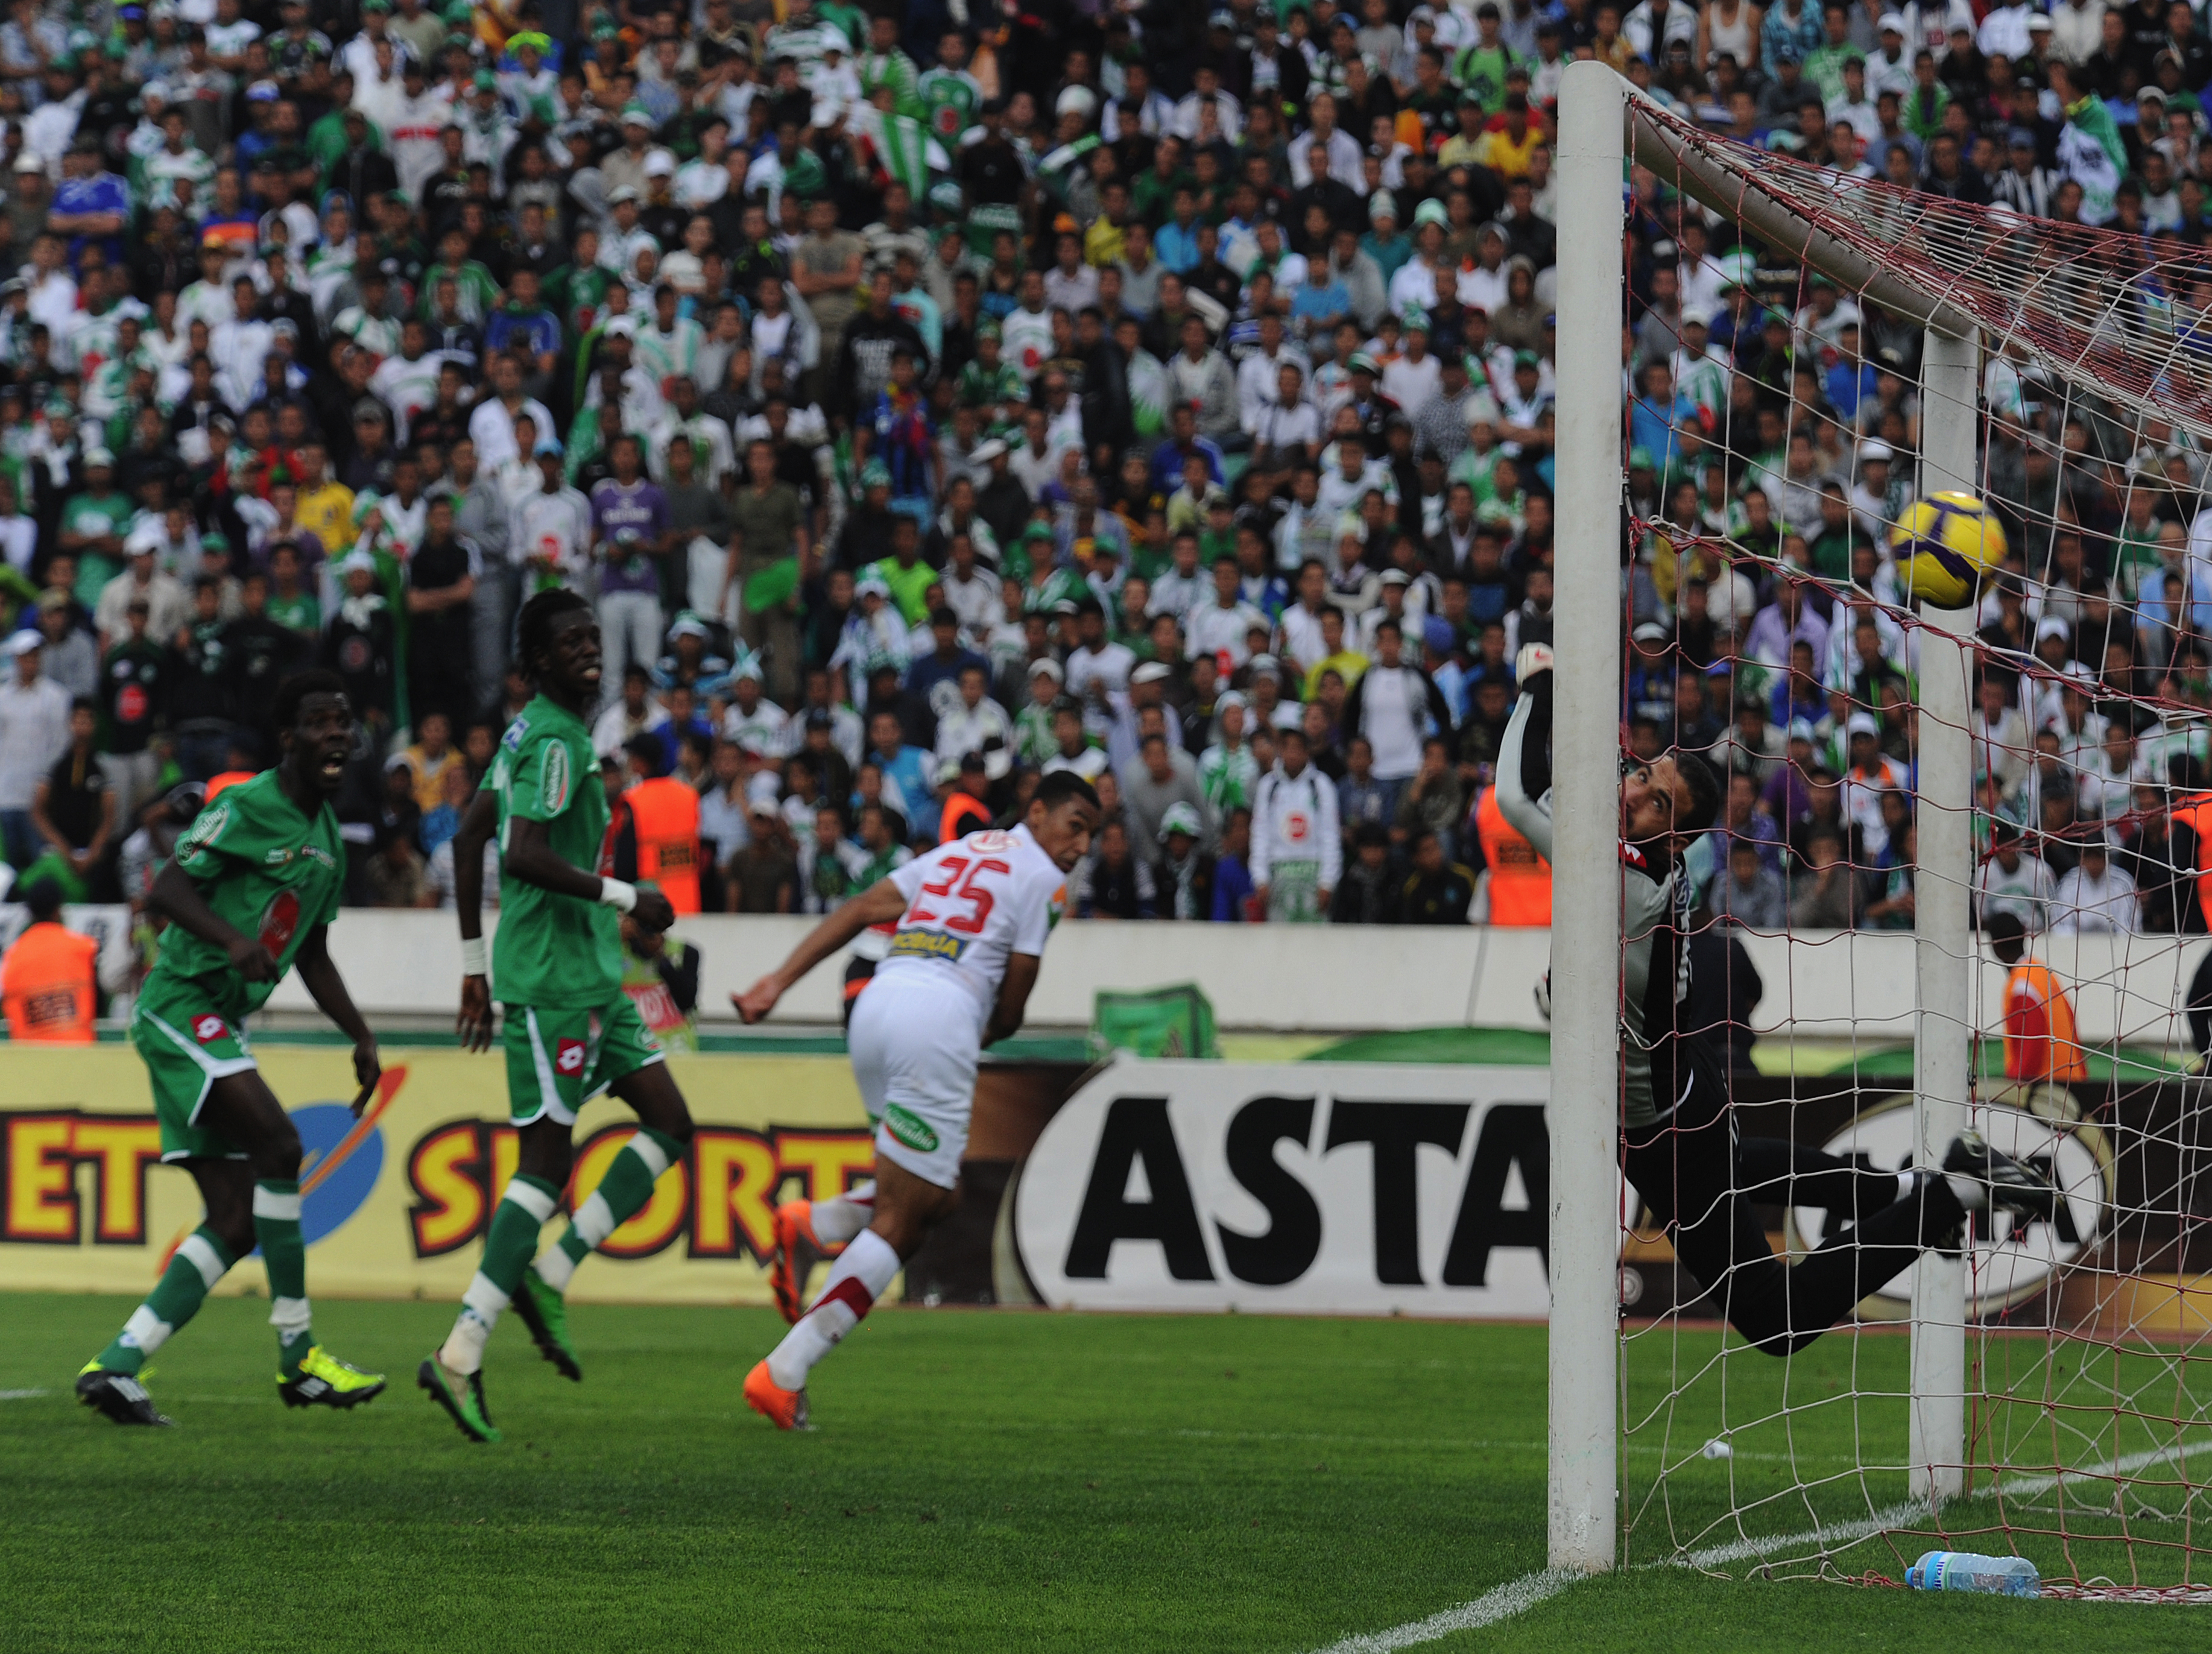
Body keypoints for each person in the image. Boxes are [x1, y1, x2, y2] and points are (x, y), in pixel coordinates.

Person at [1496, 645, 2057, 1357]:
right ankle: (1903, 1189)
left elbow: (1515, 796)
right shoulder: (1642, 860)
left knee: (1773, 1322)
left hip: (1662, 1127)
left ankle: (1952, 1195)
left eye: (1655, 799)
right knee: (1738, 1168)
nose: (1633, 792)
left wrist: (1538, 685)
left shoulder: (1624, 877)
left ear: (1677, 833)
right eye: (1641, 774)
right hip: (1683, 1085)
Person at [732, 770, 1102, 1428]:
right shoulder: (1043, 881)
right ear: (1037, 811)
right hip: (937, 1018)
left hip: (876, 1005)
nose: (1080, 846)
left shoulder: (958, 851)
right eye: (1074, 826)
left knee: (936, 1192)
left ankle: (813, 1224)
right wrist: (981, 1030)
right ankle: (785, 1370)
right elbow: (1013, 1003)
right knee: (906, 1219)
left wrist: (776, 981)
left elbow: (858, 909)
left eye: (1091, 835)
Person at [76, 671, 386, 1426]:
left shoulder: (325, 844)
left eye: (343, 721)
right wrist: (233, 939)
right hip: (181, 1004)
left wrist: (360, 1033)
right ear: (290, 738)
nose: (337, 733)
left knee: (237, 1216)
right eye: (320, 721)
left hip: (217, 1019)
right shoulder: (248, 803)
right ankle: (299, 1359)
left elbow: (311, 953)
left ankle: (117, 1364)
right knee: (281, 1145)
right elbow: (168, 889)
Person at [425, 591, 696, 1444]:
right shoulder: (556, 739)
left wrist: (473, 969)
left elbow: (470, 839)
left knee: (670, 1121)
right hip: (551, 984)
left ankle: (554, 1270)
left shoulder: (526, 734)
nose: (589, 650)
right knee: (543, 1164)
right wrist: (631, 894)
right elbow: (522, 853)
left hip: (590, 977)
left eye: (591, 638)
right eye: (569, 642)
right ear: (536, 664)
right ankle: (461, 1348)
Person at [1989, 912, 2088, 1084]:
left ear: (1995, 948)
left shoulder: (2022, 986)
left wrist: (2015, 1087)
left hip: (2048, 1090)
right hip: (2073, 1081)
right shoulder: (2044, 972)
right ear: (2025, 934)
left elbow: (2031, 1047)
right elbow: (2071, 1022)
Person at [1, 877, 98, 1041]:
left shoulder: (12, 955)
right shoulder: (84, 947)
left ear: (29, 912)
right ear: (58, 909)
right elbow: (100, 1003)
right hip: (80, 1055)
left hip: (29, 1059)